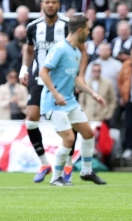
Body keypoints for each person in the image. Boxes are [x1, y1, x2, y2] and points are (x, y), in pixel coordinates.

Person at [19, 0, 86, 184]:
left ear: (59, 4)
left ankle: (67, 167)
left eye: (53, 2)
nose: (50, 5)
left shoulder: (67, 25)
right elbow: (29, 50)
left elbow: (83, 51)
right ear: (41, 4)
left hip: (64, 81)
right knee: (31, 120)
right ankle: (44, 164)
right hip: (39, 79)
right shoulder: (33, 27)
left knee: (70, 123)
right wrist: (24, 68)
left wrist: (79, 76)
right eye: (47, 2)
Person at [39, 14, 106, 186]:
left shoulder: (76, 51)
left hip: (69, 101)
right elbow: (43, 72)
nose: (89, 33)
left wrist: (93, 93)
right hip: (53, 103)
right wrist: (55, 94)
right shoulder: (60, 48)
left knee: (88, 133)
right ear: (80, 30)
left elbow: (74, 78)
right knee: (69, 139)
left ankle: (86, 171)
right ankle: (56, 177)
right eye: (88, 30)